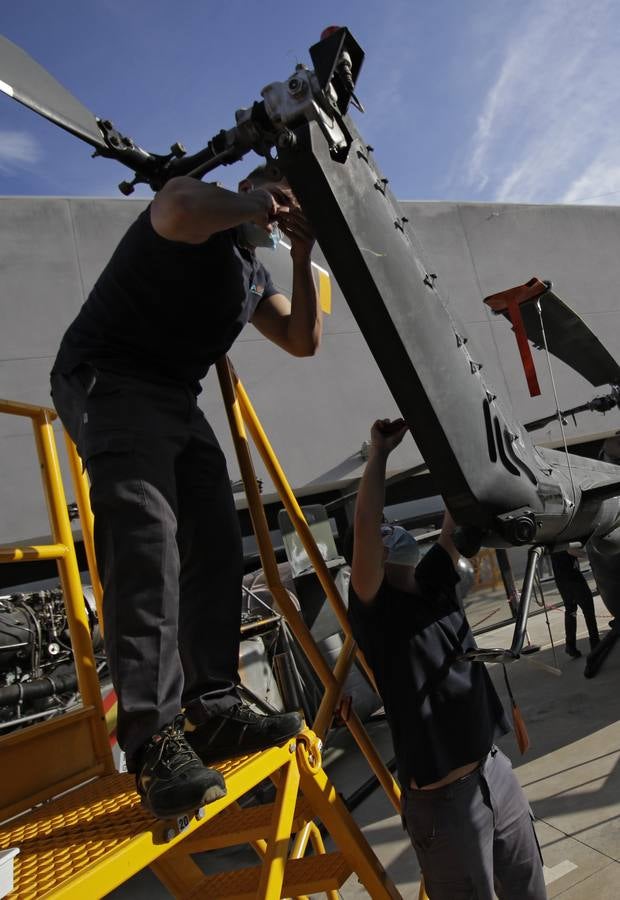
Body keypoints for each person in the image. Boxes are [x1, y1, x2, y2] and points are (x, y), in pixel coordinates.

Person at [50, 163, 321, 818]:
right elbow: (174, 205)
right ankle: (151, 739)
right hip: (109, 380)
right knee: (147, 542)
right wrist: (253, 200)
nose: (281, 209)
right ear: (250, 188)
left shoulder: (253, 272)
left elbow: (301, 339)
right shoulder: (194, 214)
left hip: (175, 397)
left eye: (291, 203)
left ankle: (216, 707)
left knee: (216, 544)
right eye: (278, 193)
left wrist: (305, 253)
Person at [345, 417, 547, 900]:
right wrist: (379, 454)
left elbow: (457, 514)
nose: (394, 534)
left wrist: (449, 439)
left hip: (492, 771)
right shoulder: (375, 611)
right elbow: (367, 526)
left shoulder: (435, 582)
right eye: (387, 534)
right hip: (444, 801)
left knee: (529, 887)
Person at [550, 550, 600, 659]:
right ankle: (595, 644)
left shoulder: (552, 540)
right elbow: (573, 551)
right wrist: (591, 554)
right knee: (588, 609)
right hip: (573, 577)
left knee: (571, 610)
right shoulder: (564, 536)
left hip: (561, 579)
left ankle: (570, 645)